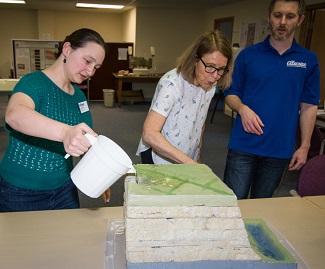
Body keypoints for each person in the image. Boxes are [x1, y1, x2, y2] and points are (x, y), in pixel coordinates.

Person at [0, 28, 109, 212]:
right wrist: (65, 132)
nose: (90, 72)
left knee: (66, 239)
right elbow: (14, 115)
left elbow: (85, 141)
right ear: (67, 49)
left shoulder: (79, 97)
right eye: (88, 61)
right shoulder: (34, 82)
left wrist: (98, 174)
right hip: (19, 192)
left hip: (64, 190)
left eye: (96, 67)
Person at [223, 0, 320, 199]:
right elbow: (231, 94)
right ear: (269, 16)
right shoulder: (248, 56)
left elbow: (309, 105)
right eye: (277, 15)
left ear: (300, 20)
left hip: (279, 148)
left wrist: (305, 146)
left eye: (290, 16)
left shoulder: (308, 60)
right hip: (243, 145)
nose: (282, 21)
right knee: (234, 205)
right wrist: (242, 108)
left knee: (263, 206)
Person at [137, 30, 233, 164]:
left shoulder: (210, 84)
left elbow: (200, 121)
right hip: (159, 156)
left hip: (186, 156)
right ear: (195, 59)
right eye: (210, 67)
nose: (215, 75)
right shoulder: (172, 84)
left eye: (221, 69)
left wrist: (197, 153)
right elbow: (149, 134)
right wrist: (189, 163)